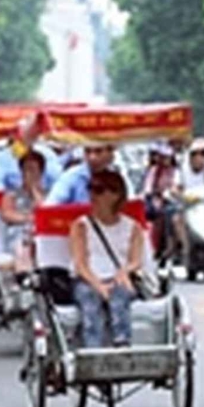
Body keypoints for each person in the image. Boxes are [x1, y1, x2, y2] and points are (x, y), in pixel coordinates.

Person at [68, 169, 145, 348]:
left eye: (100, 190)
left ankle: (122, 343)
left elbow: (136, 260)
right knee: (90, 302)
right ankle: (92, 350)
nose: (94, 195)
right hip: (87, 279)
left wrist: (123, 272)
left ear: (116, 194)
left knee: (120, 297)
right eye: (92, 190)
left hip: (118, 277)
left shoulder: (133, 227)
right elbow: (80, 264)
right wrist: (99, 286)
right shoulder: (81, 226)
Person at [0, 151, 48, 272]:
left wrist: (34, 190)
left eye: (33, 170)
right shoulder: (11, 195)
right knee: (22, 245)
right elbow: (7, 214)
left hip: (40, 236)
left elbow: (45, 212)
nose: (29, 174)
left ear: (41, 172)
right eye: (26, 169)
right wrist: (30, 218)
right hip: (19, 236)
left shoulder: (49, 194)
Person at [46, 142, 125, 205]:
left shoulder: (117, 176)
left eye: (98, 151)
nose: (92, 157)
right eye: (87, 151)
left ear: (110, 154)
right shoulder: (71, 177)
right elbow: (50, 207)